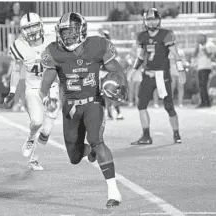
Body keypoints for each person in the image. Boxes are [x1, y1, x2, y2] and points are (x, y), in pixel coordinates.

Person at [39, 12, 126, 208]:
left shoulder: (97, 45)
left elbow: (116, 70)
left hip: (93, 102)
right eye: (65, 31)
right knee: (74, 157)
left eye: (72, 31)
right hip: (70, 107)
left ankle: (113, 191)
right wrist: (47, 99)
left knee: (97, 140)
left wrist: (120, 85)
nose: (68, 35)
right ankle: (90, 152)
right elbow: (44, 86)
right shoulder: (54, 52)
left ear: (82, 31)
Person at [4, 13, 60, 171]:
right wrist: (12, 91)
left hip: (52, 88)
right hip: (34, 88)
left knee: (47, 128)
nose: (31, 31)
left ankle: (34, 159)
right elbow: (16, 69)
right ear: (22, 30)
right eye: (27, 28)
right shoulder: (19, 45)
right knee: (37, 122)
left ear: (41, 25)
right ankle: (30, 138)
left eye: (34, 26)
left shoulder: (53, 39)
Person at [129, 8, 185, 145]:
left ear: (159, 20)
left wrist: (181, 70)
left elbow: (176, 55)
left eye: (154, 19)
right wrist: (134, 68)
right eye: (149, 19)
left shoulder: (166, 34)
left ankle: (176, 134)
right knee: (141, 105)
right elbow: (141, 56)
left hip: (162, 75)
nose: (152, 22)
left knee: (169, 107)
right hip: (148, 75)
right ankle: (146, 135)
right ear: (145, 21)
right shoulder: (142, 36)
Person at [194, 34, 216, 108]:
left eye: (200, 37)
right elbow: (194, 55)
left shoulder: (210, 44)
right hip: (200, 67)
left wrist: (204, 48)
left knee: (204, 85)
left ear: (204, 37)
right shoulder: (199, 45)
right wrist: (197, 46)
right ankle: (204, 102)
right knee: (201, 86)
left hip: (206, 67)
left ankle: (206, 102)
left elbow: (210, 56)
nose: (198, 39)